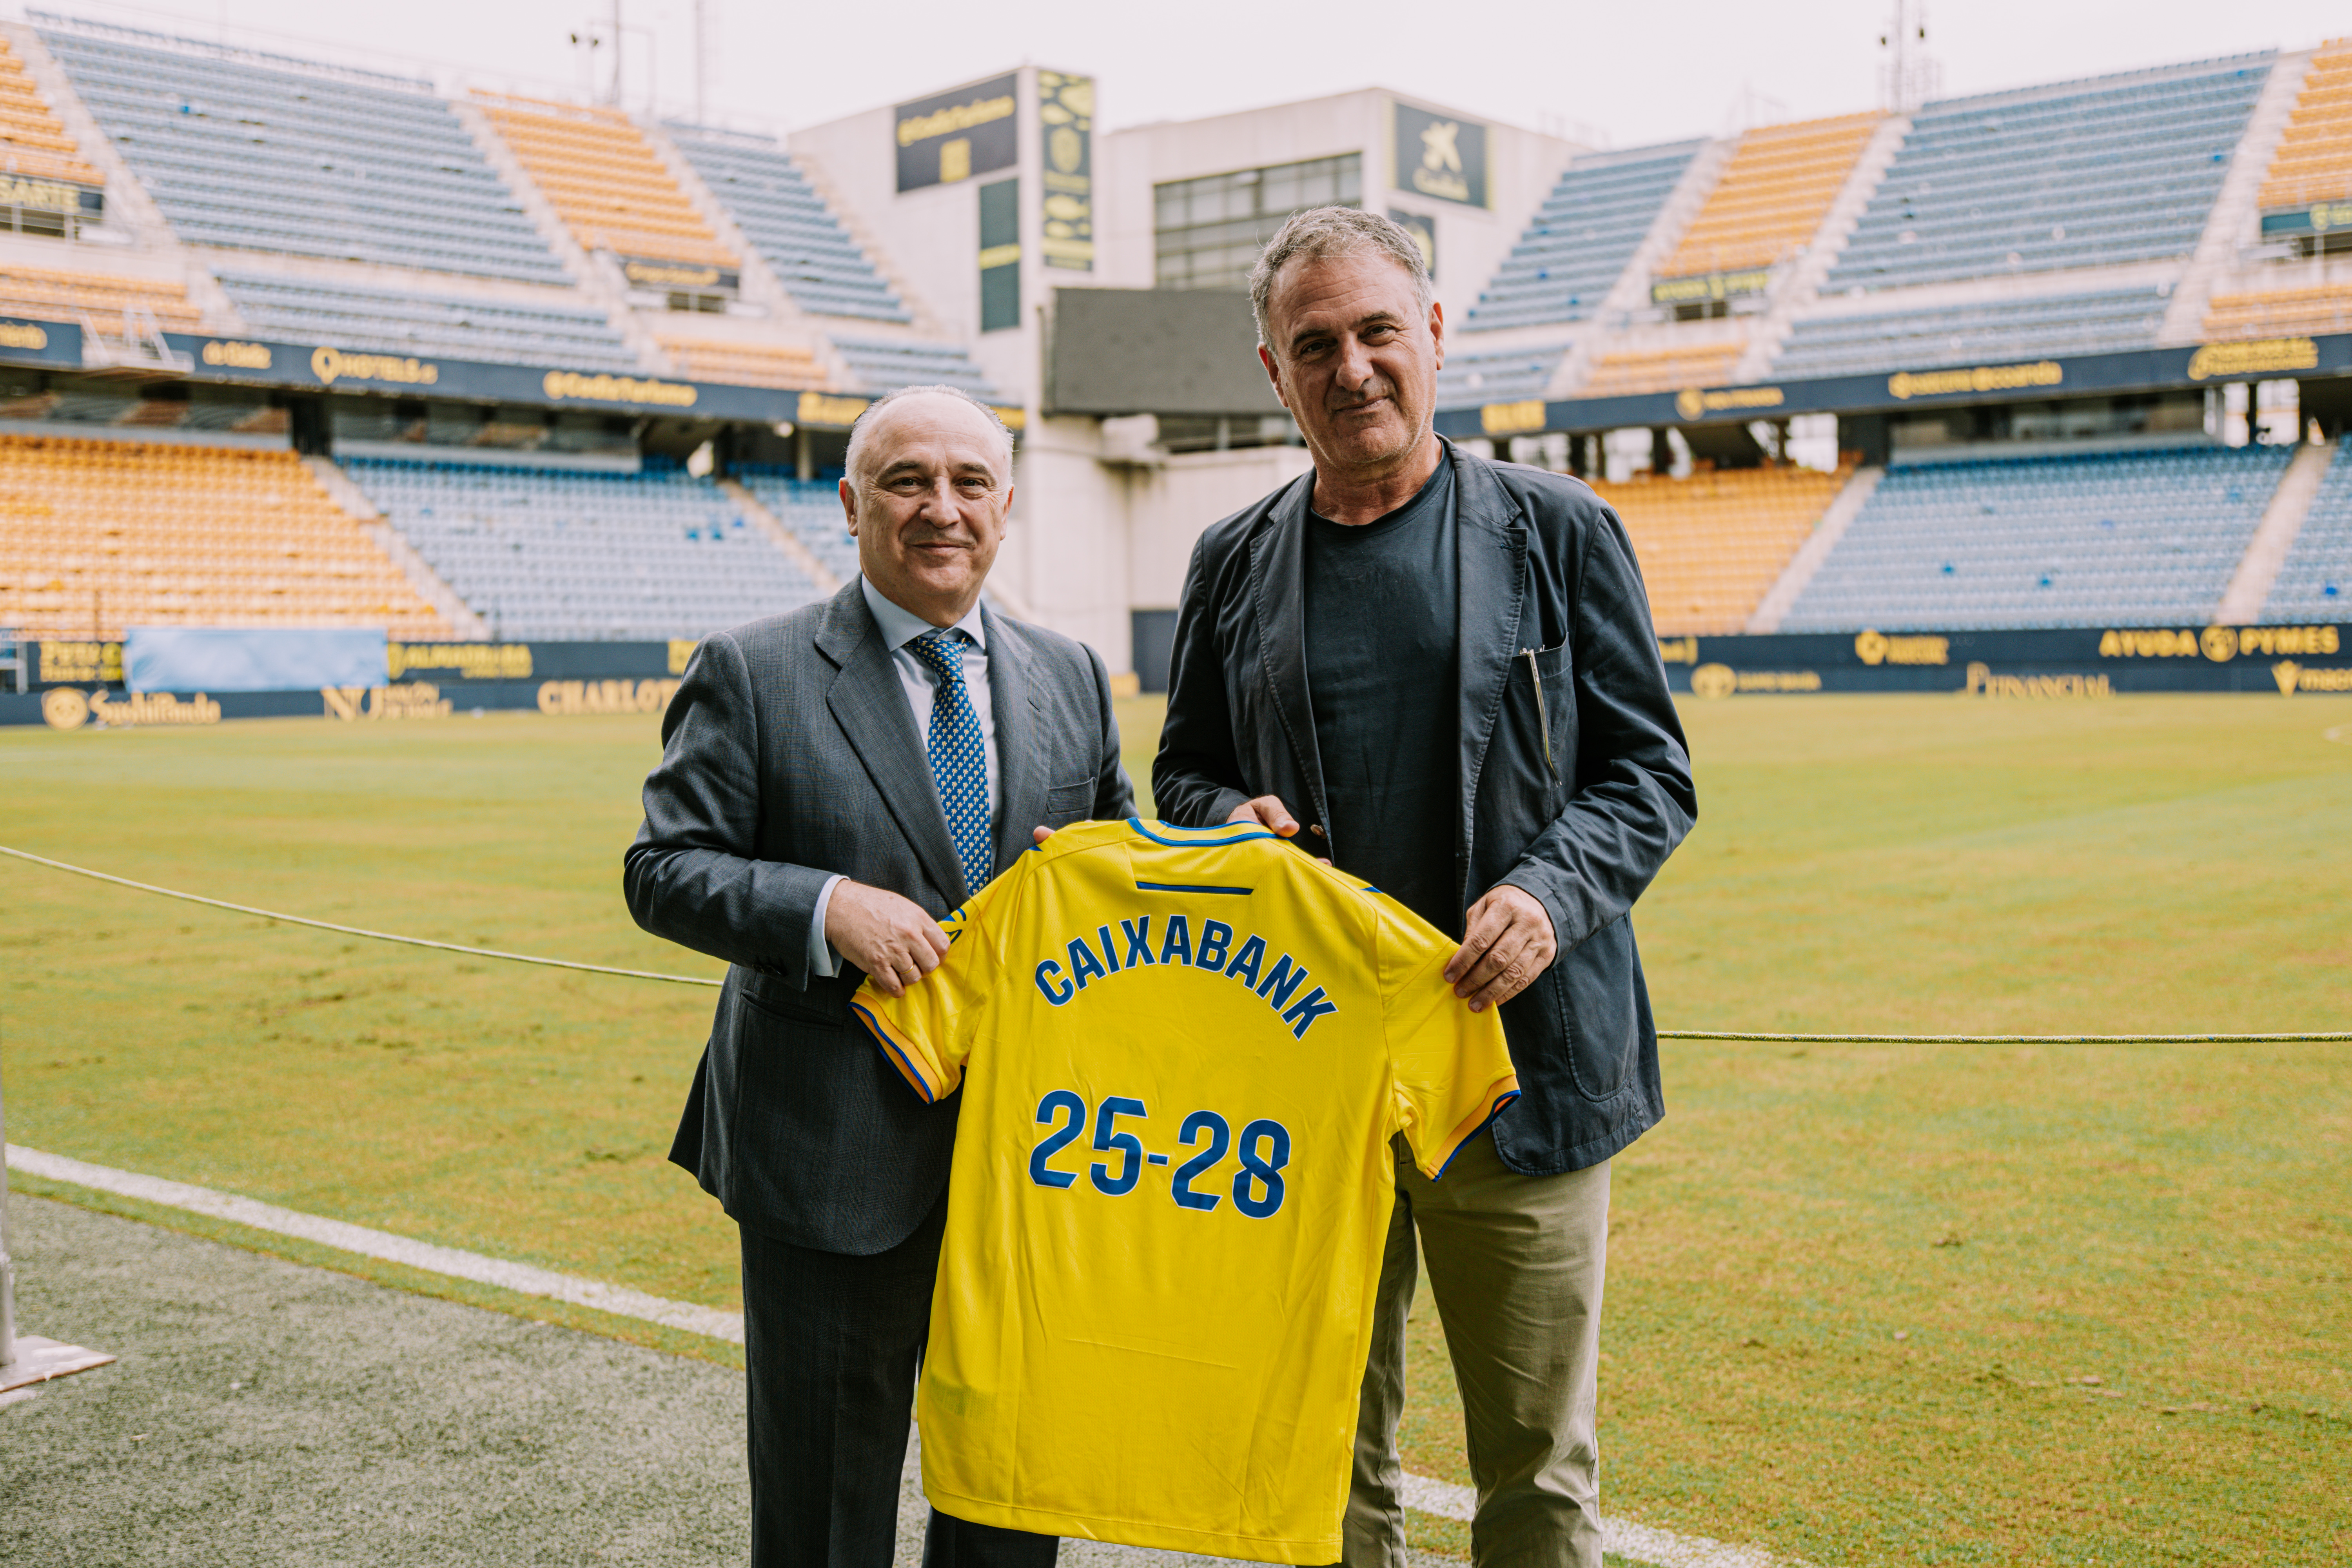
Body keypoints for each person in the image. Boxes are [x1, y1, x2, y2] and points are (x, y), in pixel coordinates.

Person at [1152, 209, 1697, 1568]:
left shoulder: (1560, 531)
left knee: (1534, 1469)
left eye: (1379, 331)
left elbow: (1651, 777)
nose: (1354, 368)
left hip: (1519, 1065)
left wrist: (1551, 894)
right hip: (1305, 1077)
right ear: (1273, 373)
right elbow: (1183, 774)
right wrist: (1230, 823)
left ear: (1435, 335)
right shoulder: (1230, 559)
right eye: (1316, 344)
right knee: (1328, 1450)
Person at [625, 384, 1133, 1568]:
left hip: (1029, 1166)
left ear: (1006, 509)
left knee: (1009, 1496)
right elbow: (662, 870)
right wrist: (823, 905)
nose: (939, 509)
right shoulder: (752, 671)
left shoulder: (1071, 673)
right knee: (823, 1513)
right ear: (853, 505)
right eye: (908, 482)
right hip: (828, 1162)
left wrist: (1225, 860)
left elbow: (1108, 863)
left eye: (968, 485)